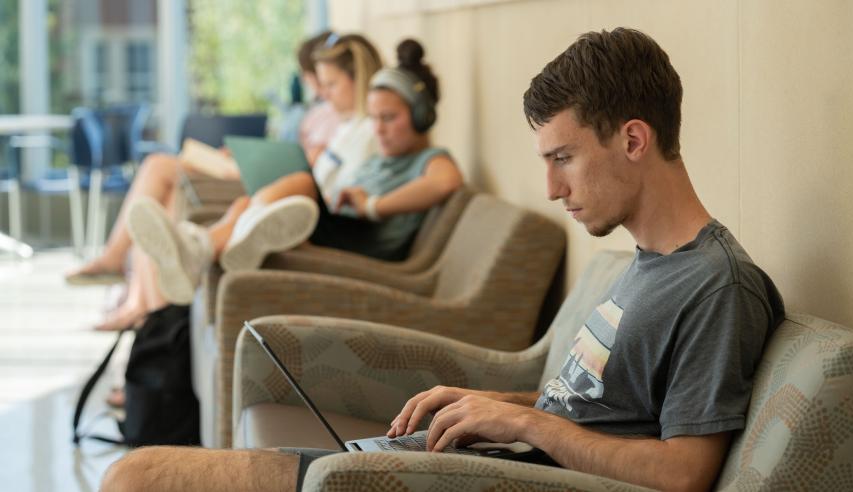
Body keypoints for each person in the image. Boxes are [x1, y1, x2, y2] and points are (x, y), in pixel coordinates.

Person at [100, 28, 784, 492]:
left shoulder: (716, 285)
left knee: (134, 479)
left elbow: (685, 471)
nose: (551, 188)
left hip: (464, 481)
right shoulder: (638, 263)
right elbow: (589, 411)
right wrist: (488, 401)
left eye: (563, 159)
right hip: (446, 463)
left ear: (634, 139)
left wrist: (519, 421)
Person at [77, 31, 345, 331]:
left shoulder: (342, 124)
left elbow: (330, 176)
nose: (324, 89)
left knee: (161, 171)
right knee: (166, 209)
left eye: (331, 82)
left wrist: (367, 200)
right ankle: (150, 306)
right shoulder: (319, 115)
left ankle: (144, 285)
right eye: (322, 81)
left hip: (291, 192)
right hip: (269, 184)